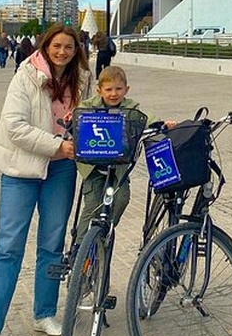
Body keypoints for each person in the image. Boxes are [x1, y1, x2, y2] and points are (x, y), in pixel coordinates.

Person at [0, 25, 91, 336]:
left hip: (60, 171)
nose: (62, 52)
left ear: (76, 50)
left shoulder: (80, 79)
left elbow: (96, 113)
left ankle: (44, 313)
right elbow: (13, 126)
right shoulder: (27, 75)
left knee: (52, 245)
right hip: (22, 170)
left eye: (69, 47)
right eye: (57, 46)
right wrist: (57, 146)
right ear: (46, 46)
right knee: (8, 248)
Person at [73, 66, 175, 243]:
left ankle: (105, 230)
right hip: (94, 167)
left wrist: (162, 124)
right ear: (99, 90)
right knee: (91, 207)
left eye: (118, 89)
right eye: (109, 89)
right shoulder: (90, 106)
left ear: (126, 90)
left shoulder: (131, 108)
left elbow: (146, 119)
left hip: (119, 167)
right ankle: (79, 248)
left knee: (121, 198)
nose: (114, 94)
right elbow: (79, 114)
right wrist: (72, 120)